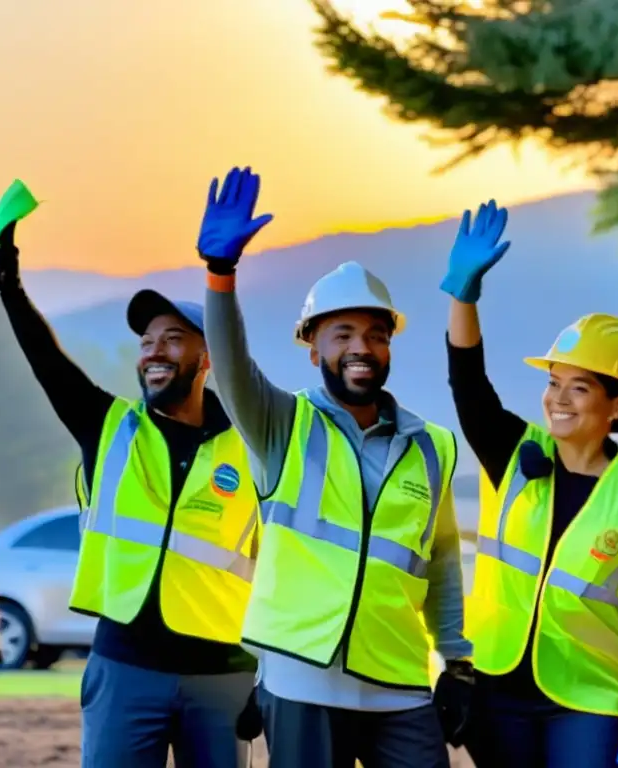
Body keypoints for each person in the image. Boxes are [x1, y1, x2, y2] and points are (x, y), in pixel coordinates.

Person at [198, 166, 471, 768]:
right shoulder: (281, 426)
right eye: (342, 332)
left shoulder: (432, 447)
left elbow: (441, 561)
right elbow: (230, 363)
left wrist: (456, 660)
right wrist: (221, 276)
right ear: (313, 345)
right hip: (302, 682)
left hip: (400, 678)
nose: (361, 348)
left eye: (376, 334)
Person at [0, 220, 261, 768]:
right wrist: (9, 289)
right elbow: (48, 363)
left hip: (223, 676)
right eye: (146, 341)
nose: (154, 351)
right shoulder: (108, 425)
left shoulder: (256, 445)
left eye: (173, 338)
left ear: (208, 358)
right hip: (124, 669)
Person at [440, 199, 618, 768]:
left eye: (578, 388)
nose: (557, 399)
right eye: (553, 382)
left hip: (589, 697)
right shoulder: (515, 453)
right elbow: (468, 382)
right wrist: (462, 296)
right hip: (497, 684)